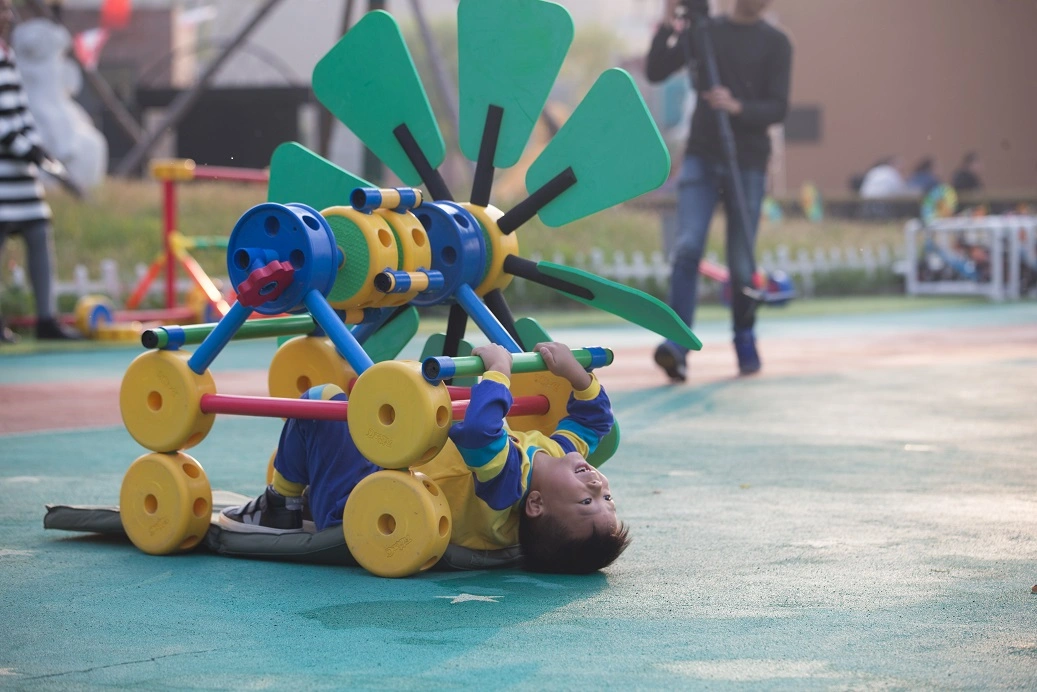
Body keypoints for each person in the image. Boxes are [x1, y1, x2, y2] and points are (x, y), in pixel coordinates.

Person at [220, 342, 631, 575]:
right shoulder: (557, 453)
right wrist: (578, 375)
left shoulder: (507, 487)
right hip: (385, 469)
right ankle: (303, 489)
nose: (598, 486)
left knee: (325, 403)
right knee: (355, 414)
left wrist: (499, 371)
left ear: (537, 505)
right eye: (606, 500)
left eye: (585, 502)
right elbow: (594, 419)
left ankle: (281, 504)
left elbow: (479, 432)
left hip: (363, 503)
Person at [645, 0, 792, 382]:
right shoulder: (705, 31)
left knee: (741, 260)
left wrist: (737, 106)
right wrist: (667, 23)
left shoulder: (777, 43)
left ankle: (744, 338)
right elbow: (656, 69)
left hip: (748, 160)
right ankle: (676, 344)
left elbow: (778, 107)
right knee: (688, 247)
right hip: (703, 154)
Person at [0, 0, 79, 343]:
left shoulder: (8, 54)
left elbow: (20, 113)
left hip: (20, 174)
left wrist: (37, 146)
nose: (9, 16)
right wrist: (26, 148)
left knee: (39, 233)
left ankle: (46, 318)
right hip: (4, 173)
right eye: (2, 9)